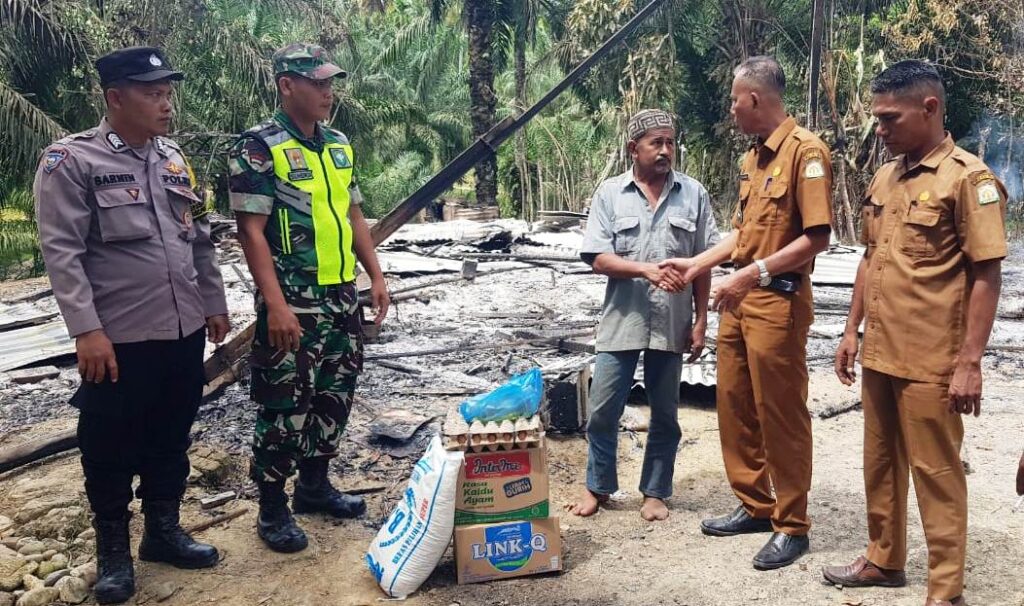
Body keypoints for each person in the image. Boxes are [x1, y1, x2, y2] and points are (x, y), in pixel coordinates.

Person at [33, 47, 229, 604]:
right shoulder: (72, 161)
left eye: (168, 92)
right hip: (117, 337)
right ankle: (113, 552)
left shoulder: (171, 159)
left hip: (183, 328)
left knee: (172, 433)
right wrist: (85, 330)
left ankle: (162, 533)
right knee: (111, 444)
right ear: (115, 97)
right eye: (153, 93)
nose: (166, 104)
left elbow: (198, 238)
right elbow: (62, 253)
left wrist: (212, 303)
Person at [822, 59, 1007, 606]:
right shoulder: (887, 176)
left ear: (929, 108)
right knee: (879, 463)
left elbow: (987, 273)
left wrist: (969, 361)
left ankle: (945, 591)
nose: (879, 129)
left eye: (888, 118)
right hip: (880, 350)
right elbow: (869, 259)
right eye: (877, 119)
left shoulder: (968, 179)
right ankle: (885, 559)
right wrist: (851, 330)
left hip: (932, 358)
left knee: (936, 471)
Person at [660, 56, 833, 569]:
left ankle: (792, 524)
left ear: (755, 98)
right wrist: (696, 264)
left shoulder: (807, 153)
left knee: (781, 414)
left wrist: (752, 274)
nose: (732, 109)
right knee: (734, 406)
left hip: (776, 300)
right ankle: (756, 504)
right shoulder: (752, 160)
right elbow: (743, 235)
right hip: (738, 300)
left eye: (735, 99)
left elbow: (816, 238)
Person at [229, 43, 390, 553]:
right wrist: (274, 305)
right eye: (317, 83)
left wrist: (376, 276)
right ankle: (272, 507)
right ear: (286, 85)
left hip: (342, 296)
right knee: (283, 404)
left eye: (330, 83)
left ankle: (315, 487)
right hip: (292, 298)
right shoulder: (259, 146)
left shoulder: (338, 144)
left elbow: (353, 215)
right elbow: (250, 231)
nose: (328, 93)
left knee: (333, 393)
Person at [568, 109, 718, 522]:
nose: (666, 151)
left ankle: (655, 491)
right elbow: (597, 257)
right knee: (602, 408)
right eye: (657, 143)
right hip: (623, 319)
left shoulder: (694, 194)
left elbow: (704, 263)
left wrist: (701, 320)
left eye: (670, 142)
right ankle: (598, 486)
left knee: (665, 412)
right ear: (634, 149)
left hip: (672, 321)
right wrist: (645, 270)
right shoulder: (610, 194)